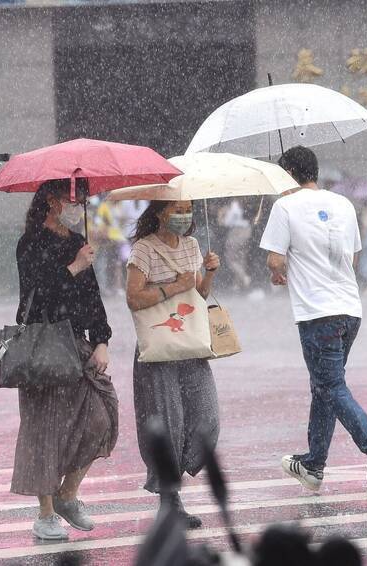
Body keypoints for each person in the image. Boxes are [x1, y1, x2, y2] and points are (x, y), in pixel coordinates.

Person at [260, 146, 367, 498]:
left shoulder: (284, 206)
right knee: (324, 386)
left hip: (316, 312)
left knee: (330, 387)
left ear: (289, 173)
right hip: (349, 309)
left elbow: (275, 261)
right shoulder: (341, 203)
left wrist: (282, 273)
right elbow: (353, 257)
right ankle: (313, 464)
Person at [11, 179, 118, 541]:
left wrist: (101, 339)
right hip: (43, 342)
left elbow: (92, 297)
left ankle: (67, 495)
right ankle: (45, 515)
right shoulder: (30, 243)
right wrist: (74, 266)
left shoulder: (76, 242)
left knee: (101, 417)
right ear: (54, 202)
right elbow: (39, 293)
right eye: (76, 199)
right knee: (43, 429)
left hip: (77, 343)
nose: (81, 206)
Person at [125, 199, 221, 528]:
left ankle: (174, 485)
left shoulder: (192, 245)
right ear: (160, 212)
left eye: (188, 209)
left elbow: (200, 295)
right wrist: (173, 287)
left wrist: (208, 273)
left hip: (191, 345)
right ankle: (170, 499)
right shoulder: (143, 250)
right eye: (177, 209)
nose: (184, 216)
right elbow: (133, 299)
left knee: (205, 417)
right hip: (159, 349)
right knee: (168, 423)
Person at [219, 198, 253, 291]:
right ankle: (238, 284)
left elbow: (227, 222)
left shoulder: (233, 206)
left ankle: (244, 277)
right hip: (247, 230)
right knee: (241, 258)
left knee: (231, 258)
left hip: (237, 232)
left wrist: (223, 217)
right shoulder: (242, 205)